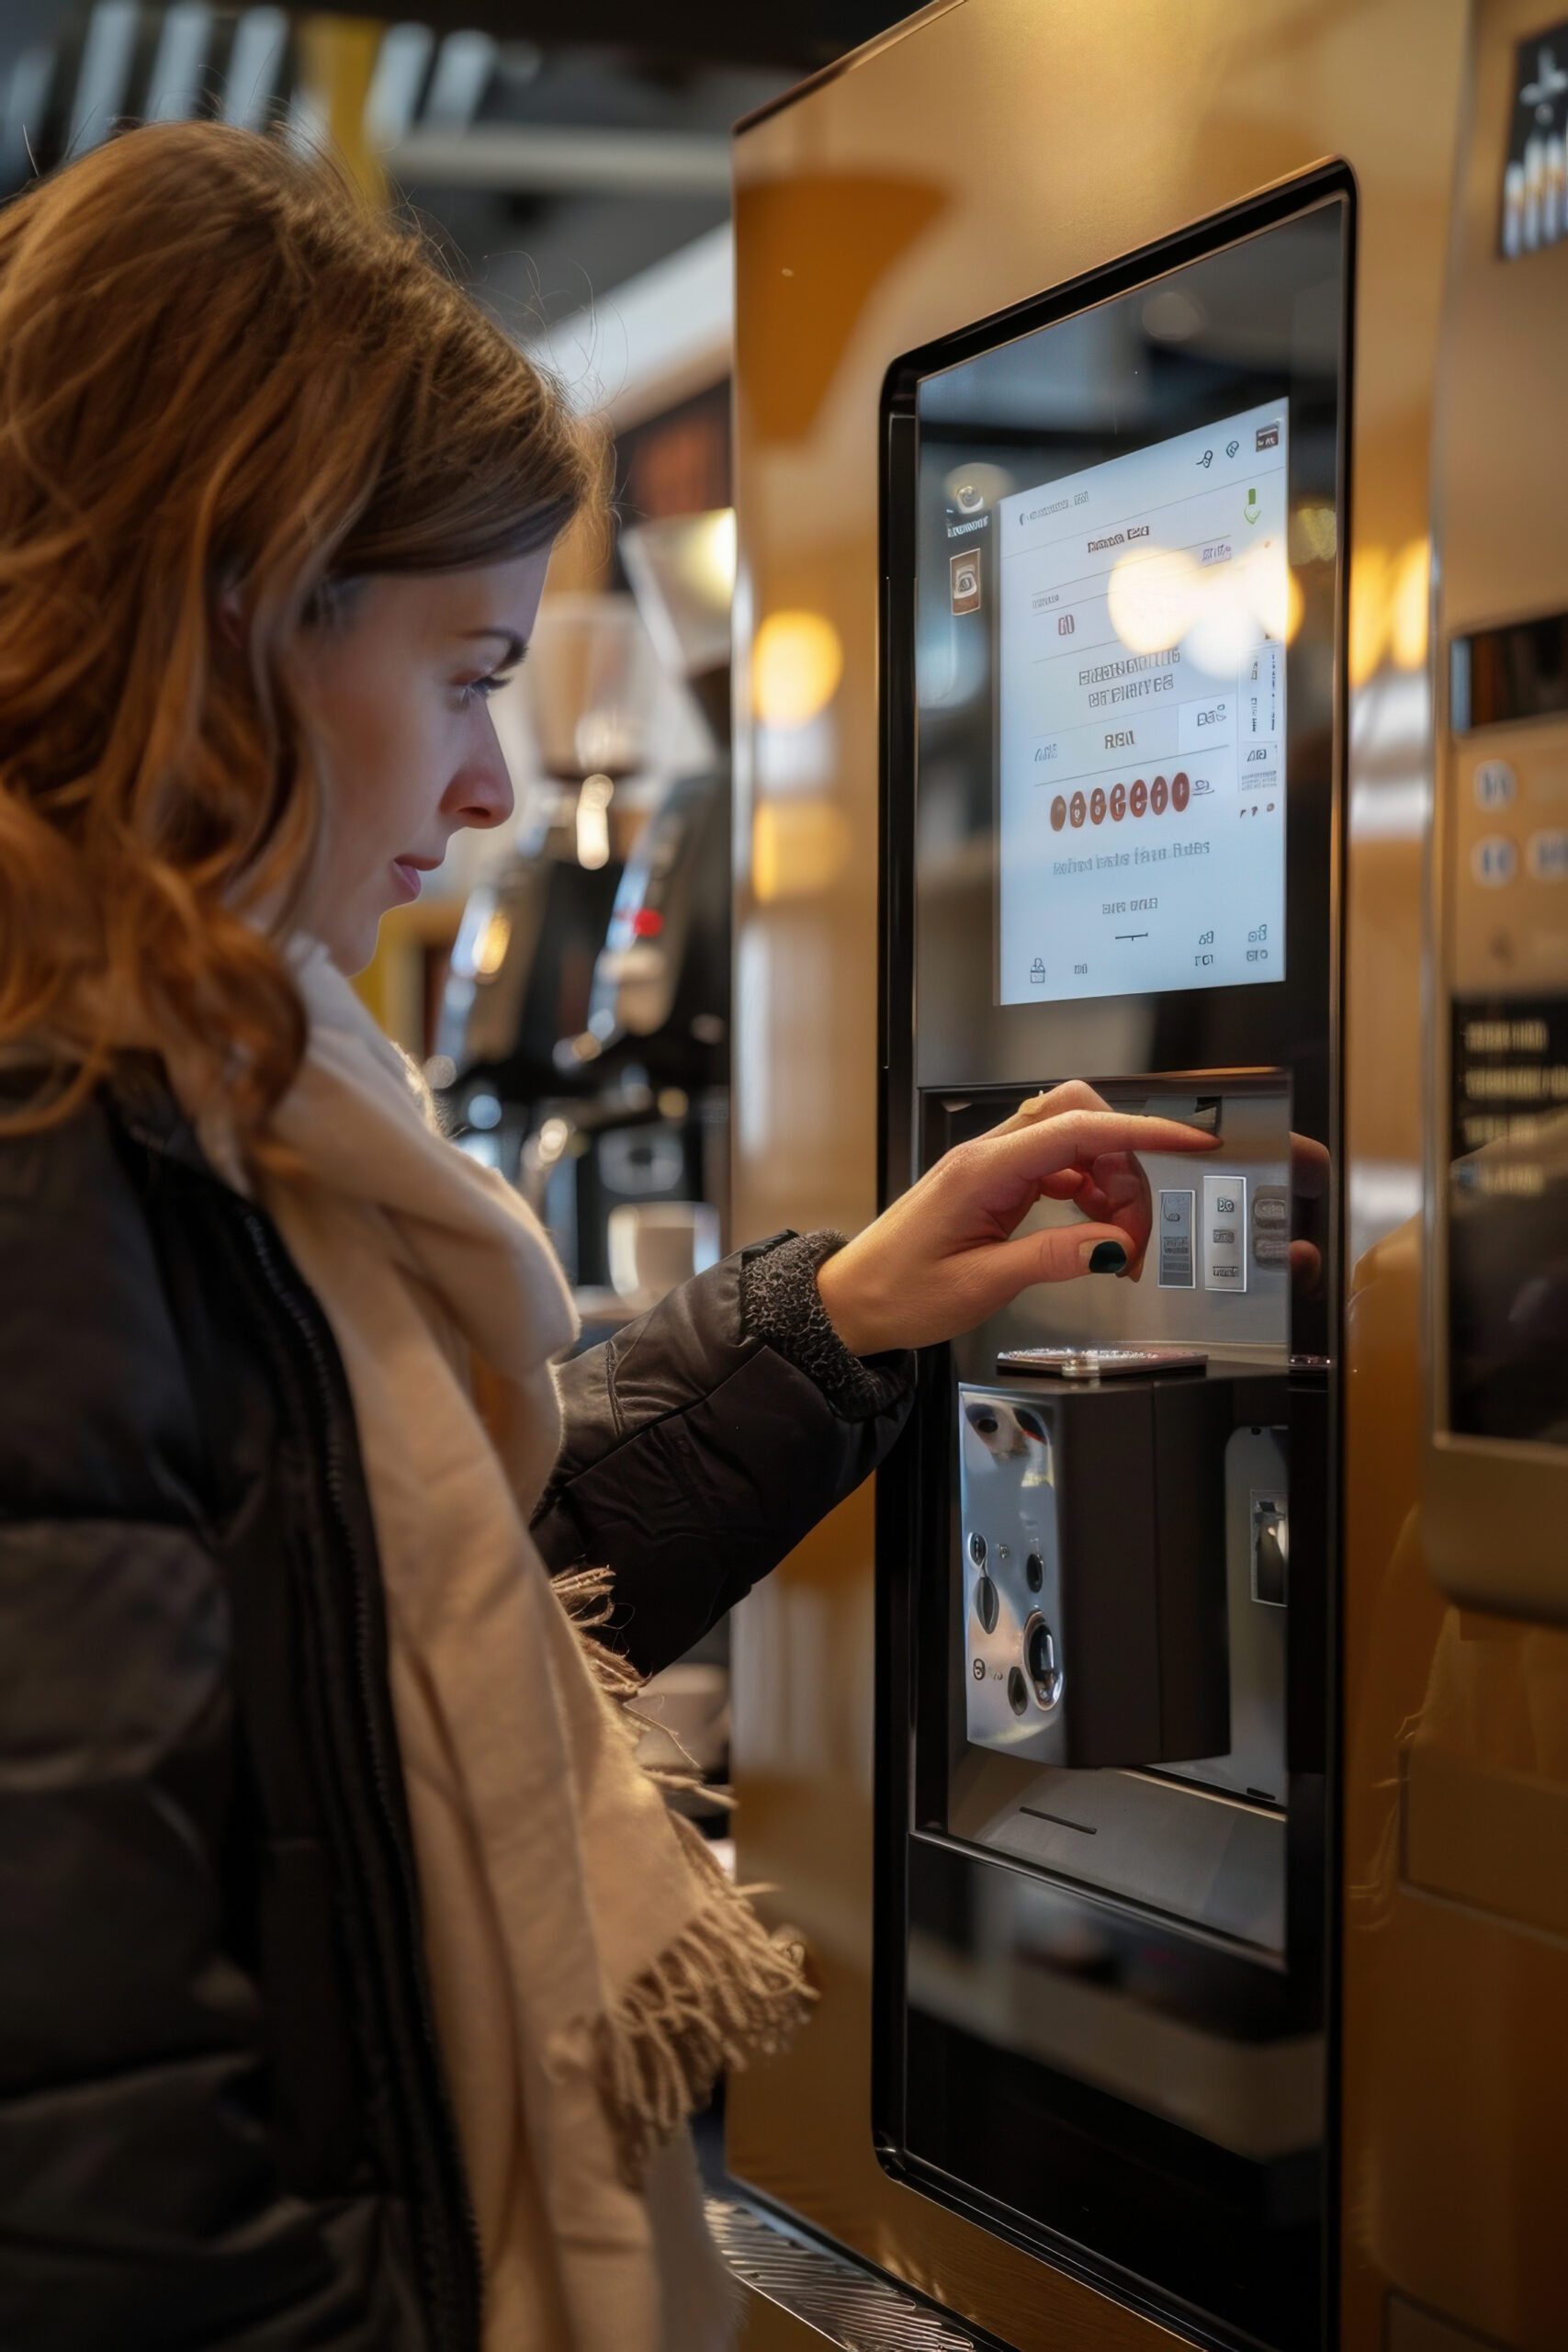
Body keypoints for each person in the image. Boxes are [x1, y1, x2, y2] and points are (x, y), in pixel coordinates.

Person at [0, 123, 1215, 2352]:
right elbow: (102, 2189)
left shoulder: (196, 1111)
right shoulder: (62, 1180)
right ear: (241, 614)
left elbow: (379, 1615)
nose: (485, 790)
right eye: (468, 672)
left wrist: (835, 1313)